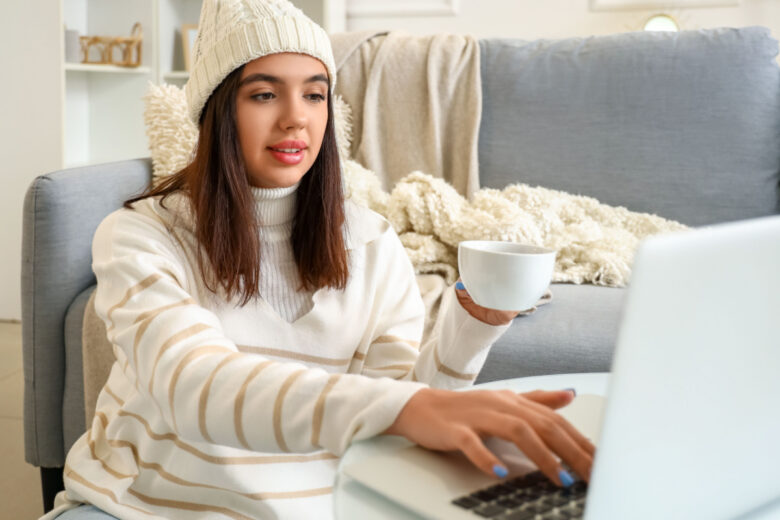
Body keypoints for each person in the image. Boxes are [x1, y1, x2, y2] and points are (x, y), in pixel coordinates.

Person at [44, 1, 594, 518]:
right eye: (264, 95)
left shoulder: (371, 241)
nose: (296, 119)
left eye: (314, 94)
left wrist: (472, 329)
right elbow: (193, 385)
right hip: (139, 506)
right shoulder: (140, 235)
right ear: (217, 111)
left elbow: (396, 420)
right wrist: (404, 409)